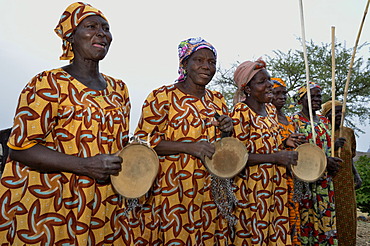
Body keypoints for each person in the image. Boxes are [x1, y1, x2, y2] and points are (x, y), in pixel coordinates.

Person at [0, 3, 131, 245]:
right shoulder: (48, 83)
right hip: (52, 200)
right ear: (71, 36)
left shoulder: (119, 90)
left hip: (102, 202)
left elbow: (119, 146)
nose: (102, 33)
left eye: (106, 28)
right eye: (91, 26)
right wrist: (84, 165)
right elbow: (21, 148)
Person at [134, 37, 233, 245]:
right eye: (198, 60)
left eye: (211, 62)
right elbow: (141, 142)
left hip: (211, 190)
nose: (206, 66)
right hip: (172, 190)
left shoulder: (218, 100)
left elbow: (225, 148)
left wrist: (227, 131)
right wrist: (189, 147)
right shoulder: (162, 97)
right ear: (184, 63)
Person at [230, 59, 301, 245]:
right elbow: (236, 158)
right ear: (247, 89)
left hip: (275, 188)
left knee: (275, 234)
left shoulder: (270, 110)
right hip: (251, 190)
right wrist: (276, 157)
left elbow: (269, 142)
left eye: (268, 79)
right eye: (262, 82)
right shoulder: (240, 113)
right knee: (254, 236)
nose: (269, 85)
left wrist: (286, 141)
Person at [291, 82, 342, 246]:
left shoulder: (324, 122)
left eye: (319, 96)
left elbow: (327, 149)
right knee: (306, 219)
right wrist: (324, 162)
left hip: (324, 182)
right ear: (301, 99)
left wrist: (332, 163)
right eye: (311, 96)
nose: (316, 99)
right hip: (304, 180)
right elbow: (298, 153)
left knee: (324, 220)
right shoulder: (294, 121)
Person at [321, 100, 362, 246]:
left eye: (341, 112)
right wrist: (332, 145)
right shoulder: (322, 132)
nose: (339, 115)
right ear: (326, 115)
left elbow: (350, 157)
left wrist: (356, 175)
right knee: (331, 218)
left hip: (346, 183)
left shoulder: (348, 132)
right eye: (335, 112)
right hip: (328, 182)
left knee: (347, 217)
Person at [271, 78, 303, 245]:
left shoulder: (290, 120)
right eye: (277, 93)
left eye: (284, 93)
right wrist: (283, 142)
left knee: (292, 217)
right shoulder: (267, 119)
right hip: (276, 176)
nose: (282, 96)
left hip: (292, 176)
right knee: (278, 217)